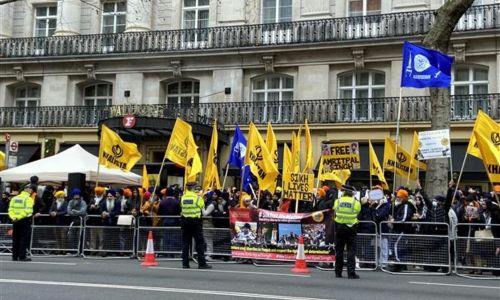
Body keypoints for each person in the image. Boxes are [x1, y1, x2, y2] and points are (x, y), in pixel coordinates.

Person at [180, 182, 211, 269]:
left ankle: (185, 264)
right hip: (195, 222)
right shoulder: (198, 198)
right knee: (199, 243)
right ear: (193, 188)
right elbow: (204, 212)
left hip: (185, 222)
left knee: (185, 243)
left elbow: (182, 209)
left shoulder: (183, 198)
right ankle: (202, 264)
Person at [333, 185, 361, 279]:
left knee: (339, 250)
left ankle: (338, 272)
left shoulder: (338, 201)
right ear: (352, 193)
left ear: (344, 192)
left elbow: (335, 211)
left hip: (339, 227)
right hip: (351, 228)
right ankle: (351, 273)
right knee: (351, 251)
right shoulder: (355, 202)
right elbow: (358, 212)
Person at [8, 184, 35, 261]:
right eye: (30, 189)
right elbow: (28, 211)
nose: (31, 190)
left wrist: (14, 217)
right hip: (24, 220)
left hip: (15, 220)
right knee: (24, 239)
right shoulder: (28, 199)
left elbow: (10, 209)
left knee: (15, 238)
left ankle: (14, 256)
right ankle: (22, 256)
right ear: (26, 189)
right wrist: (18, 217)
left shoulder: (15, 198)